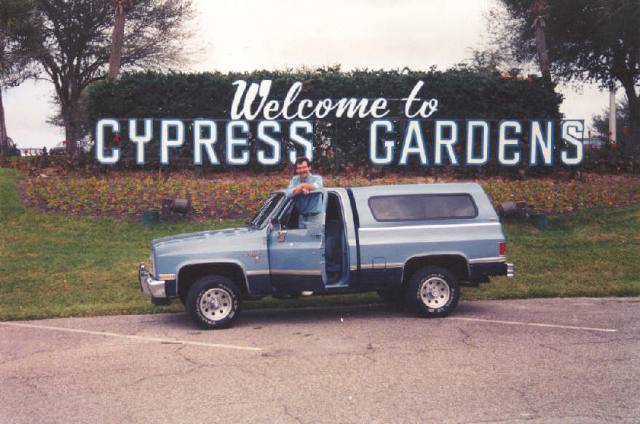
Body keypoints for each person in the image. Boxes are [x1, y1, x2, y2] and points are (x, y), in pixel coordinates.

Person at [286, 157, 323, 229]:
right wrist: (301, 190)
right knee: (303, 240)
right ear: (296, 170)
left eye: (304, 167)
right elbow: (288, 193)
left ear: (309, 167)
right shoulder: (294, 180)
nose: (302, 170)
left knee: (314, 240)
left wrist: (301, 186)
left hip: (315, 218)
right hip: (301, 217)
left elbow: (318, 187)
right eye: (299, 168)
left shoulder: (317, 178)